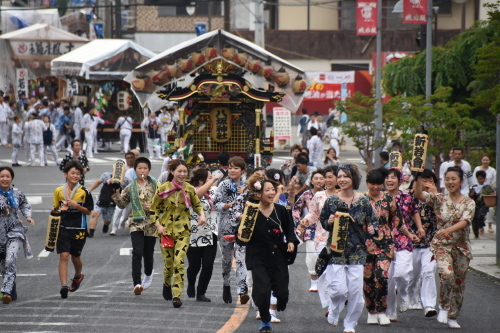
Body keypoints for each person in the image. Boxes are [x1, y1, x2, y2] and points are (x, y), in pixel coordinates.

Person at [414, 166, 475, 329]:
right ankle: (443, 306)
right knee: (447, 275)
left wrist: (448, 229)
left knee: (459, 283)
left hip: (461, 248)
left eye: (453, 179)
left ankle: (453, 316)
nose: (450, 182)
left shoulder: (469, 202)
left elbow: (465, 221)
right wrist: (418, 176)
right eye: (447, 179)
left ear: (461, 182)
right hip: (442, 246)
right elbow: (419, 194)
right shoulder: (439, 198)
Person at [319, 164, 377, 332]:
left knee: (355, 292)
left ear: (354, 179)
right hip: (336, 250)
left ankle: (350, 324)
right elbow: (323, 221)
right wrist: (328, 221)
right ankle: (334, 310)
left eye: (346, 176)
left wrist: (373, 229)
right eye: (340, 176)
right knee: (337, 290)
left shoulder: (364, 201)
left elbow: (372, 221)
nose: (342, 179)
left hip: (357, 252)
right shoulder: (331, 200)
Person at [241, 175, 298, 333]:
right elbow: (241, 234)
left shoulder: (280, 210)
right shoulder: (251, 211)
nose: (272, 193)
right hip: (258, 255)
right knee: (262, 291)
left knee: (282, 291)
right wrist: (241, 225)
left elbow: (289, 229)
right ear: (259, 194)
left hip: (278, 253)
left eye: (273, 190)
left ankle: (281, 299)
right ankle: (265, 320)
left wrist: (291, 242)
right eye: (268, 190)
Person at [150, 159, 204, 308]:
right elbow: (153, 209)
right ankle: (166, 283)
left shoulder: (189, 189)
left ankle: (177, 295)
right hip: (165, 231)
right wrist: (158, 226)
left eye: (185, 171)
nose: (182, 174)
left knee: (179, 262)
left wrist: (202, 215)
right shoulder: (163, 188)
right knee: (169, 265)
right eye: (179, 171)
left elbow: (197, 204)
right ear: (172, 172)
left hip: (183, 231)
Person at [112, 157, 159, 295]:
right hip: (135, 223)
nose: (142, 170)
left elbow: (164, 203)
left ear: (149, 170)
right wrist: (116, 194)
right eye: (139, 168)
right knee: (137, 252)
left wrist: (154, 206)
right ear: (135, 170)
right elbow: (122, 204)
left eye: (145, 168)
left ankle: (148, 275)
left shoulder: (157, 185)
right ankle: (137, 283)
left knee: (148, 254)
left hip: (151, 223)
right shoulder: (130, 187)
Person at [385, 168, 422, 321]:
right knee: (388, 280)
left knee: (400, 273)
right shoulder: (381, 198)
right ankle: (391, 311)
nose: (389, 180)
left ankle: (404, 294)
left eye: (393, 177)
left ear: (400, 181)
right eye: (387, 177)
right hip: (385, 241)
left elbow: (414, 211)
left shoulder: (406, 197)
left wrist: (419, 227)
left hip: (404, 239)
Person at [53, 160, 93, 299]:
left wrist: (76, 205)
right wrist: (56, 211)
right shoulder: (59, 191)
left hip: (79, 228)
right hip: (63, 228)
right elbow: (56, 209)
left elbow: (88, 211)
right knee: (64, 256)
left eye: (78, 173)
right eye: (72, 173)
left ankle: (77, 276)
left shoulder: (84, 192)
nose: (75, 176)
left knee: (75, 257)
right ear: (66, 174)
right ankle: (63, 286)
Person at [362, 168, 395, 326]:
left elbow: (397, 222)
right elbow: (354, 221)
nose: (375, 187)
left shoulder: (389, 199)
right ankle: (371, 311)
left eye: (378, 184)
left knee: (381, 276)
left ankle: (382, 311)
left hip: (385, 245)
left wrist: (409, 236)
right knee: (368, 280)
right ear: (367, 183)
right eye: (372, 184)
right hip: (365, 247)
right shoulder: (360, 199)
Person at [213, 156, 248, 304]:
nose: (232, 170)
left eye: (236, 168)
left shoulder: (248, 185)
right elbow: (216, 203)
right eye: (230, 167)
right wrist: (228, 205)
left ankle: (242, 290)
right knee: (227, 260)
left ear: (242, 170)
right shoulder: (223, 184)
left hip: (243, 226)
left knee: (241, 259)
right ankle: (226, 284)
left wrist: (244, 194)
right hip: (226, 225)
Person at [0, 167, 35, 304]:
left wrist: (27, 216)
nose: (4, 179)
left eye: (7, 176)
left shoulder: (16, 193)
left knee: (10, 259)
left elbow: (25, 204)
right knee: (4, 266)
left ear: (12, 178)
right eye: (2, 176)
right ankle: (12, 291)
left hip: (14, 231)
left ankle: (6, 291)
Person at [186, 168, 222, 302]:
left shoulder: (212, 192)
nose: (212, 180)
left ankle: (201, 292)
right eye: (209, 177)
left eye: (212, 177)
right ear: (201, 180)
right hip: (194, 233)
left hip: (211, 232)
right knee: (194, 265)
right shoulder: (190, 190)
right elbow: (196, 196)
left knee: (208, 264)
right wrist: (213, 180)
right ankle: (191, 283)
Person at [407, 170, 439, 317]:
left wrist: (436, 194)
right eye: (423, 181)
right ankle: (412, 298)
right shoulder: (409, 198)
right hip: (411, 244)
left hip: (430, 244)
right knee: (413, 276)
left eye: (429, 181)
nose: (426, 184)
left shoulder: (439, 199)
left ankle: (429, 305)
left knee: (428, 272)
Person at [292, 170, 325, 292]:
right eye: (316, 178)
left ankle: (324, 280)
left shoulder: (330, 194)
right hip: (310, 229)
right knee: (312, 256)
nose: (319, 181)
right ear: (311, 181)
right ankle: (314, 281)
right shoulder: (306, 194)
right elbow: (296, 209)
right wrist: (299, 224)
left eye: (321, 178)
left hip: (327, 229)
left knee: (325, 255)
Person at [110, 151, 137, 236]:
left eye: (131, 157)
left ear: (134, 158)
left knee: (125, 215)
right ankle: (113, 229)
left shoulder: (137, 168)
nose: (129, 159)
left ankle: (122, 223)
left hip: (132, 194)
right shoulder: (122, 168)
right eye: (127, 158)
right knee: (118, 211)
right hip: (122, 192)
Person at [469, 171, 488, 239]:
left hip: (483, 205)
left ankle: (481, 226)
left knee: (481, 216)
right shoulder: (474, 187)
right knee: (474, 219)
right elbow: (470, 195)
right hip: (475, 205)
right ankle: (476, 234)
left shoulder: (487, 187)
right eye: (479, 179)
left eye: (482, 179)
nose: (480, 180)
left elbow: (491, 194)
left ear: (484, 179)